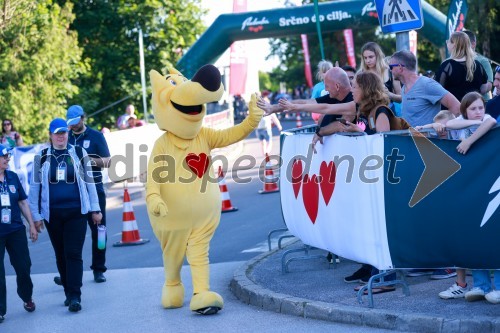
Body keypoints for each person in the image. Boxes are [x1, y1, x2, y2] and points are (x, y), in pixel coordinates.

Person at [28, 118, 102, 313]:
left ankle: (75, 295)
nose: (60, 136)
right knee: (60, 255)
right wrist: (35, 216)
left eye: (63, 133)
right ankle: (68, 293)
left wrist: (95, 209)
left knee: (73, 253)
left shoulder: (79, 153)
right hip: (52, 215)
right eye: (56, 133)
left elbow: (90, 183)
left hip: (77, 213)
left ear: (68, 133)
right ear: (50, 135)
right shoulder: (41, 157)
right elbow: (34, 189)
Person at [58, 105, 110, 284]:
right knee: (70, 233)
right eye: (70, 124)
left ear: (83, 117)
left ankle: (99, 268)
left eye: (75, 122)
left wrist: (86, 160)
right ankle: (68, 272)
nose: (72, 127)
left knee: (99, 231)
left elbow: (107, 161)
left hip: (94, 188)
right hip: (73, 191)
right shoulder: (67, 137)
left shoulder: (96, 136)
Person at [0, 144, 37, 323]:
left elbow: (22, 202)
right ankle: (0, 310)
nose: (8, 159)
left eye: (8, 156)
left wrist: (31, 224)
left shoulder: (12, 177)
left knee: (24, 266)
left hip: (15, 230)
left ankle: (26, 297)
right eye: (4, 156)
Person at [390, 50, 461, 127]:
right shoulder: (404, 87)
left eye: (391, 67)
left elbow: (457, 107)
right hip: (411, 138)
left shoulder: (426, 84)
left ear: (400, 67)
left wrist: (446, 130)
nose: (390, 70)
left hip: (431, 139)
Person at [435, 31, 489, 103]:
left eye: (449, 41)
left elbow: (437, 90)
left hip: (452, 111)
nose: (447, 42)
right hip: (472, 109)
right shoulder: (478, 65)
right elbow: (484, 89)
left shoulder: (447, 66)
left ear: (454, 45)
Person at [463, 30, 493, 101]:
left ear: (473, 44)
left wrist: (471, 93)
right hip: (462, 102)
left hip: (482, 102)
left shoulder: (482, 61)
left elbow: (489, 84)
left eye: (463, 43)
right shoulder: (454, 61)